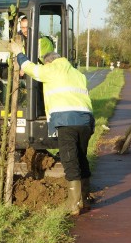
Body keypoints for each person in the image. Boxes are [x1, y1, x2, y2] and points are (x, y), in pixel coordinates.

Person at [8, 42, 94, 215]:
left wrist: (18, 53)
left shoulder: (52, 69)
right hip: (86, 120)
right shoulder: (77, 74)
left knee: (70, 161)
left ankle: (73, 205)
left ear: (48, 62)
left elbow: (30, 68)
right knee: (81, 157)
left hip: (66, 121)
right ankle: (84, 198)